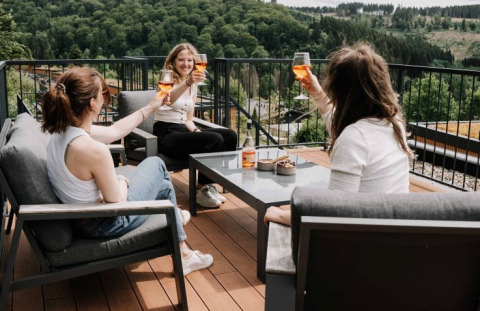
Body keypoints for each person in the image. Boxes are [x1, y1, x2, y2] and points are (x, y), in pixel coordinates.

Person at [41, 66, 213, 276]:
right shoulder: (93, 150)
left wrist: (151, 106)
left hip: (82, 217)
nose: (105, 98)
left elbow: (116, 131)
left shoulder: (62, 131)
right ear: (92, 103)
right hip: (104, 223)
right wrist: (119, 180)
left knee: (166, 186)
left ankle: (183, 249)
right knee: (156, 164)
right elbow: (118, 202)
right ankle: (181, 245)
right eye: (102, 94)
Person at [264, 43, 414, 226]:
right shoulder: (393, 124)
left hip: (363, 242)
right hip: (394, 230)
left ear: (340, 91)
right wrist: (318, 93)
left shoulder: (354, 138)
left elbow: (334, 213)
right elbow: (342, 126)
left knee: (279, 218)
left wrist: (280, 215)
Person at [153, 43, 238, 208]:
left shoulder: (193, 84)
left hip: (183, 131)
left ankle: (210, 184)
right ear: (173, 62)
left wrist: (198, 133)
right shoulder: (167, 77)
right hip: (166, 134)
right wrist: (187, 83)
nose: (186, 64)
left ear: (195, 62)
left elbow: (189, 119)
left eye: (189, 60)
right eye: (181, 60)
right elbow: (166, 99)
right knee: (214, 138)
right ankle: (201, 189)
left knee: (229, 135)